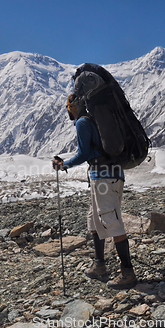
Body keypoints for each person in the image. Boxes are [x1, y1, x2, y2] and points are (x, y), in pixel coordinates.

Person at [52, 66, 137, 290]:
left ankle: (127, 273)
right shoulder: (94, 120)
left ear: (72, 107)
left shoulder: (82, 122)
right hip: (111, 174)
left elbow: (84, 154)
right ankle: (99, 265)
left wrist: (64, 164)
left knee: (110, 220)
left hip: (103, 177)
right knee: (95, 219)